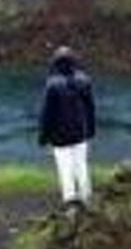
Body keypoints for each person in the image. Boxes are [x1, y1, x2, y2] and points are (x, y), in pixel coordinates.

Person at [37, 45, 96, 208]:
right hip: (80, 133)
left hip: (60, 137)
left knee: (65, 169)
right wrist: (91, 130)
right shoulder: (85, 80)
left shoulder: (52, 85)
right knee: (81, 166)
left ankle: (70, 203)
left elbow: (46, 115)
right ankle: (87, 197)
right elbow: (90, 109)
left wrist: (43, 137)